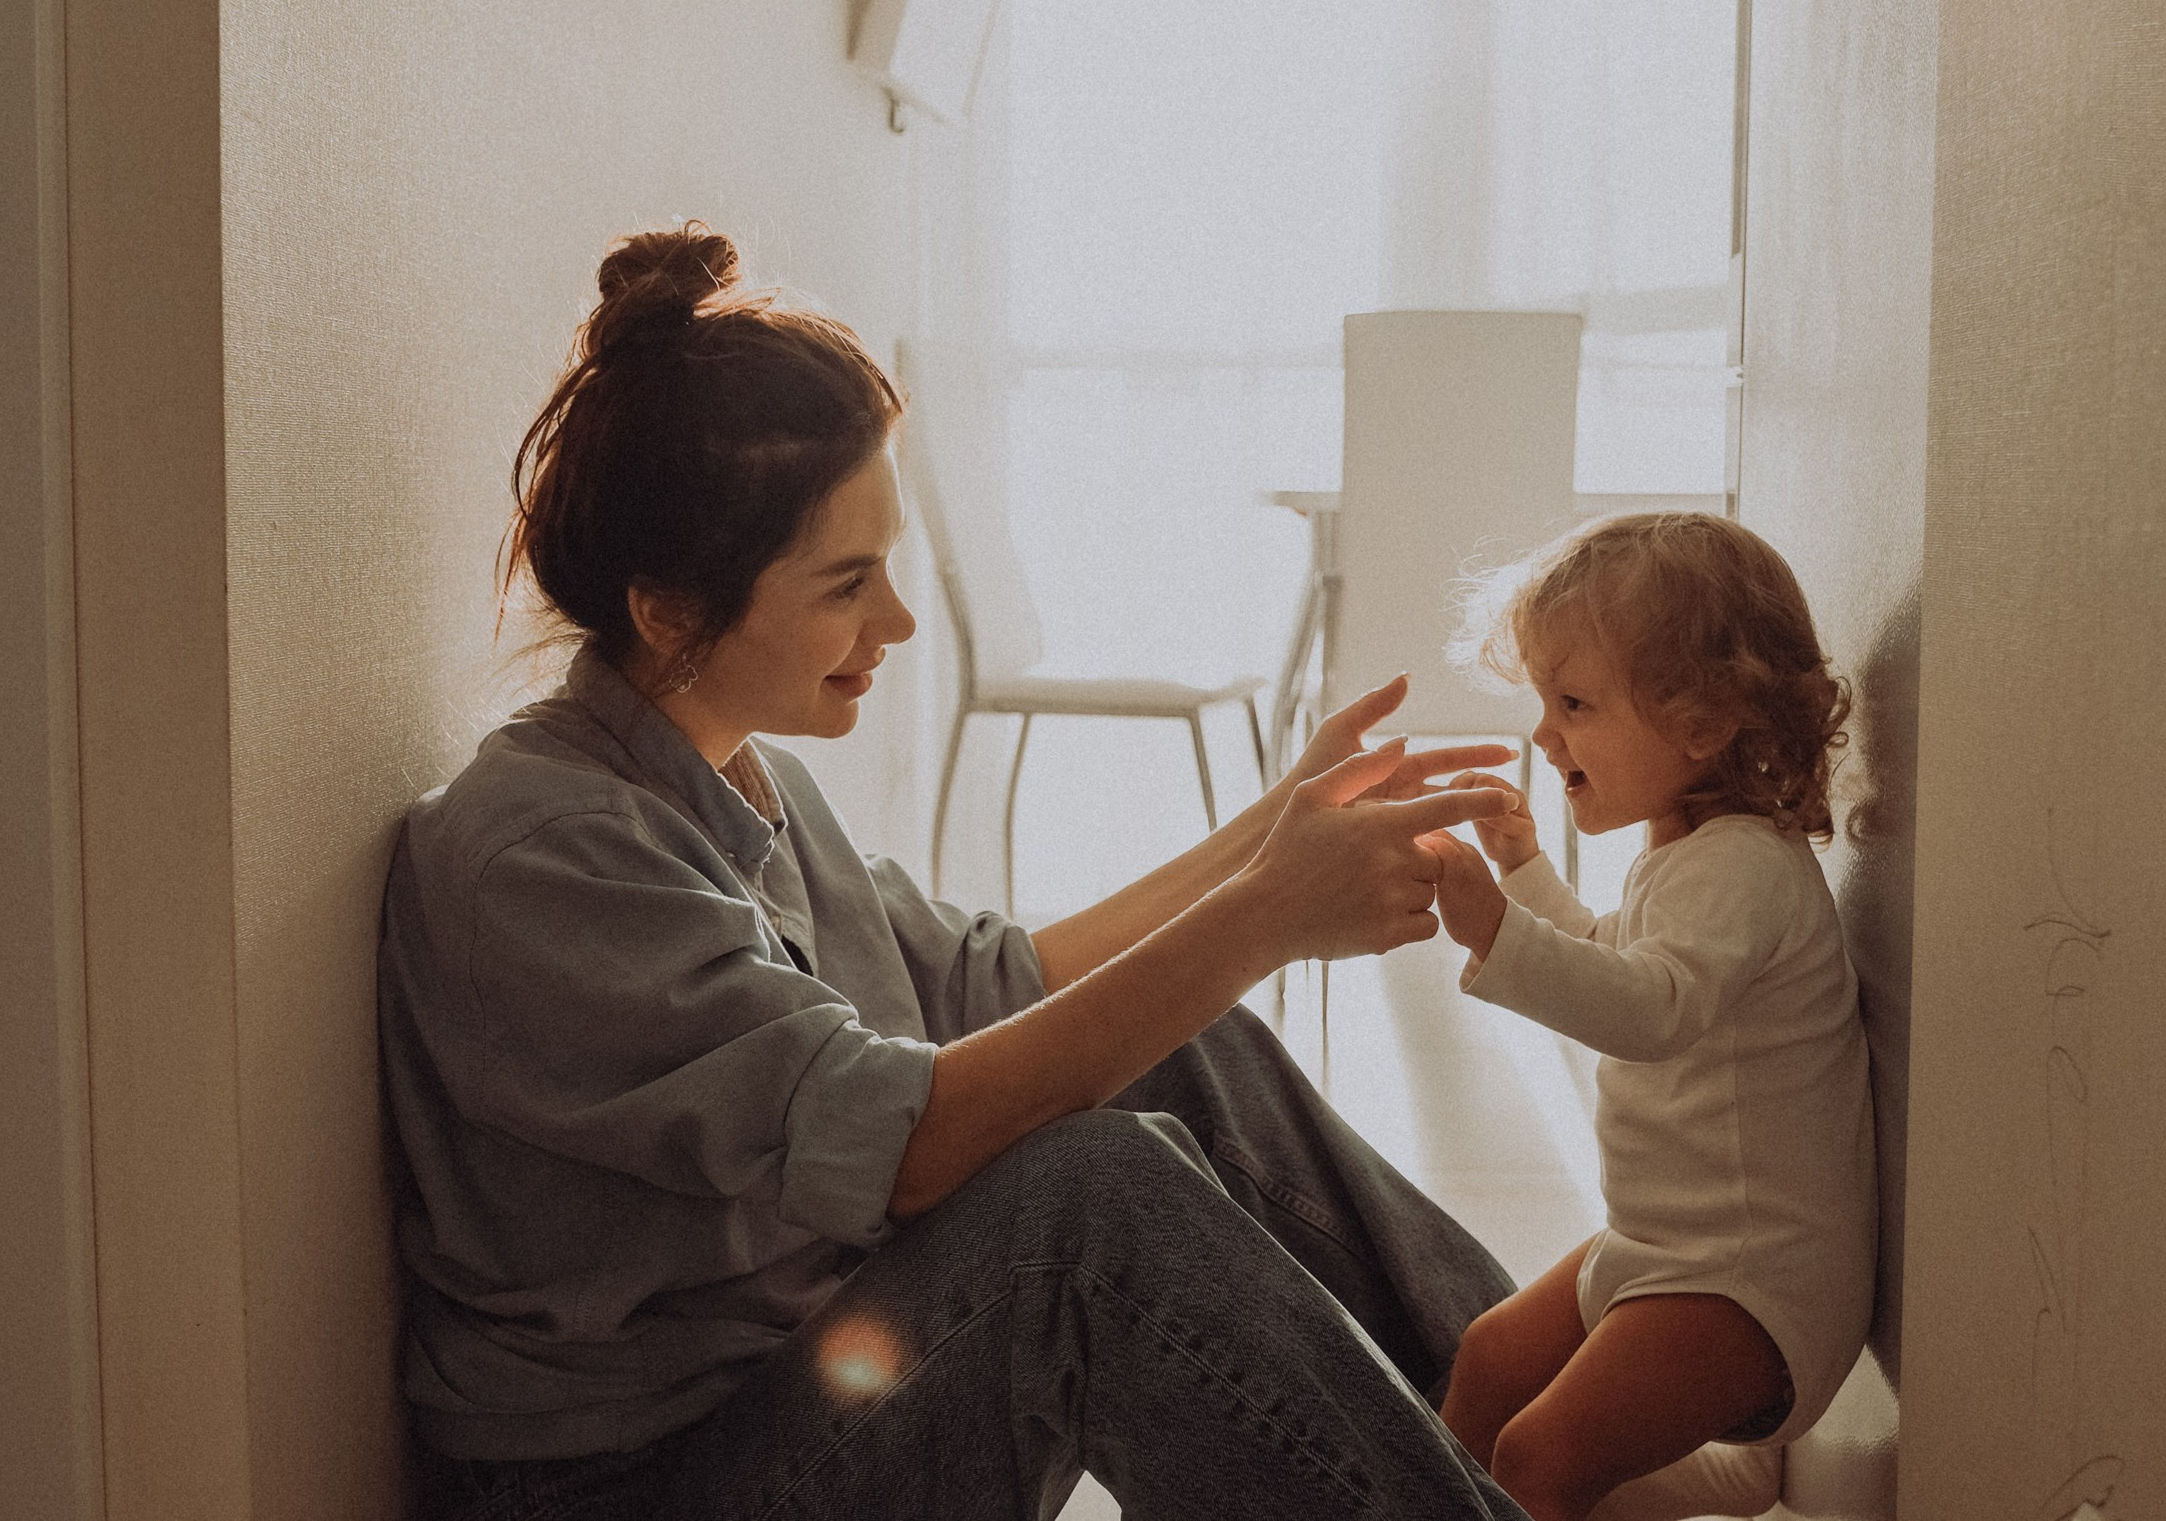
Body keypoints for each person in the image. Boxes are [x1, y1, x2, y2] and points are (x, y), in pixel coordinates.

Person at [379, 222, 1538, 1519]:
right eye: (845, 583)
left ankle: (1553, 1412)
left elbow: (1000, 980)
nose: (899, 622)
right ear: (667, 607)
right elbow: (912, 1149)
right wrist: (1265, 914)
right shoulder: (546, 856)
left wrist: (1275, 832)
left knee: (1185, 1048)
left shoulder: (728, 778)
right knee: (1085, 1211)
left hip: (780, 1384)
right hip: (636, 1482)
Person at [1426, 514, 1876, 1521]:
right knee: (1490, 1356)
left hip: (1753, 1279)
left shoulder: (1741, 866)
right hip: (1668, 1243)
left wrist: (1495, 927)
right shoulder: (1690, 848)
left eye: (1574, 701)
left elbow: (1648, 1007)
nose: (1546, 731)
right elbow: (1612, 959)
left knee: (1541, 1452)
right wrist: (1523, 871)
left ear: (1704, 720)